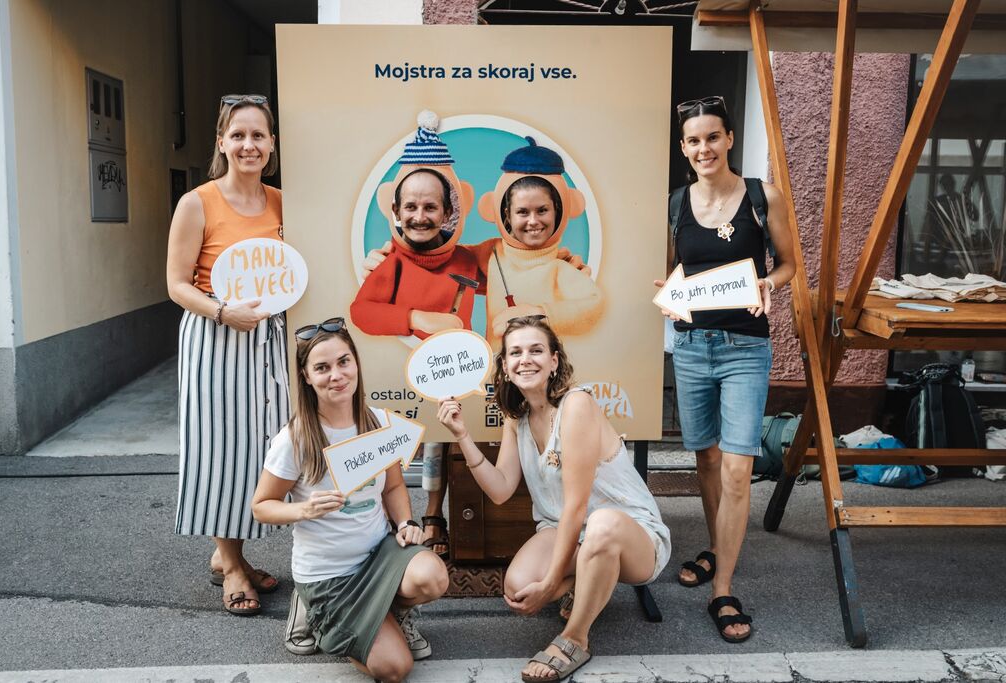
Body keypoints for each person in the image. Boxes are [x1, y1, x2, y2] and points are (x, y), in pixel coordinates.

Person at [437, 315, 670, 683]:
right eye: (515, 353)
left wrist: (549, 584)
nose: (525, 360)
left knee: (601, 524)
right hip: (565, 529)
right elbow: (500, 489)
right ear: (504, 365)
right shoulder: (517, 418)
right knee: (517, 588)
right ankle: (586, 580)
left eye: (536, 350)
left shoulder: (576, 406)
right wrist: (462, 435)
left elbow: (577, 507)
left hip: (629, 535)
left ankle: (575, 638)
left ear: (554, 361)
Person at [654, 95, 796, 643]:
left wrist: (767, 283)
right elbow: (672, 271)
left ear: (730, 139)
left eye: (712, 137)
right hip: (692, 347)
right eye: (693, 140)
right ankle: (717, 548)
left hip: (745, 348)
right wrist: (669, 295)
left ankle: (724, 589)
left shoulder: (762, 196)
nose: (703, 148)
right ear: (683, 147)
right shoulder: (675, 203)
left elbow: (788, 264)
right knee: (708, 460)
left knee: (738, 467)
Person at [252, 319, 448, 683]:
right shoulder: (295, 438)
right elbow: (261, 506)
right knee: (395, 669)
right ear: (306, 376)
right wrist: (304, 509)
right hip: (329, 578)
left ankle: (389, 615)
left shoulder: (377, 422)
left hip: (378, 557)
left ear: (356, 362)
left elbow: (393, 487)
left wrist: (406, 523)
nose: (337, 375)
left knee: (432, 576)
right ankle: (316, 614)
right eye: (322, 368)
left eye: (344, 362)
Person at [166, 94, 287, 616]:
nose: (248, 145)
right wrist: (222, 312)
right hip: (215, 335)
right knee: (219, 449)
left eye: (258, 135)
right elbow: (176, 284)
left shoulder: (283, 203)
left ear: (272, 144)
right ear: (221, 142)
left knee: (262, 447)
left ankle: (229, 552)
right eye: (238, 135)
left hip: (269, 337)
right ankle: (233, 565)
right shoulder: (197, 203)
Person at [350, 111, 481, 340]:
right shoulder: (391, 261)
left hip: (464, 359)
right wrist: (416, 318)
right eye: (410, 207)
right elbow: (361, 312)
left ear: (447, 213)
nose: (419, 217)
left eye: (430, 207)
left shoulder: (467, 260)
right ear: (395, 211)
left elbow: (510, 269)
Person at [477, 137, 604, 342]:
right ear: (507, 214)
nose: (533, 221)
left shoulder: (561, 268)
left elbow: (593, 305)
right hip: (497, 361)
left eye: (542, 210)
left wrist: (539, 313)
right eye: (522, 212)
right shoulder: (492, 253)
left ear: (558, 210)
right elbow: (449, 260)